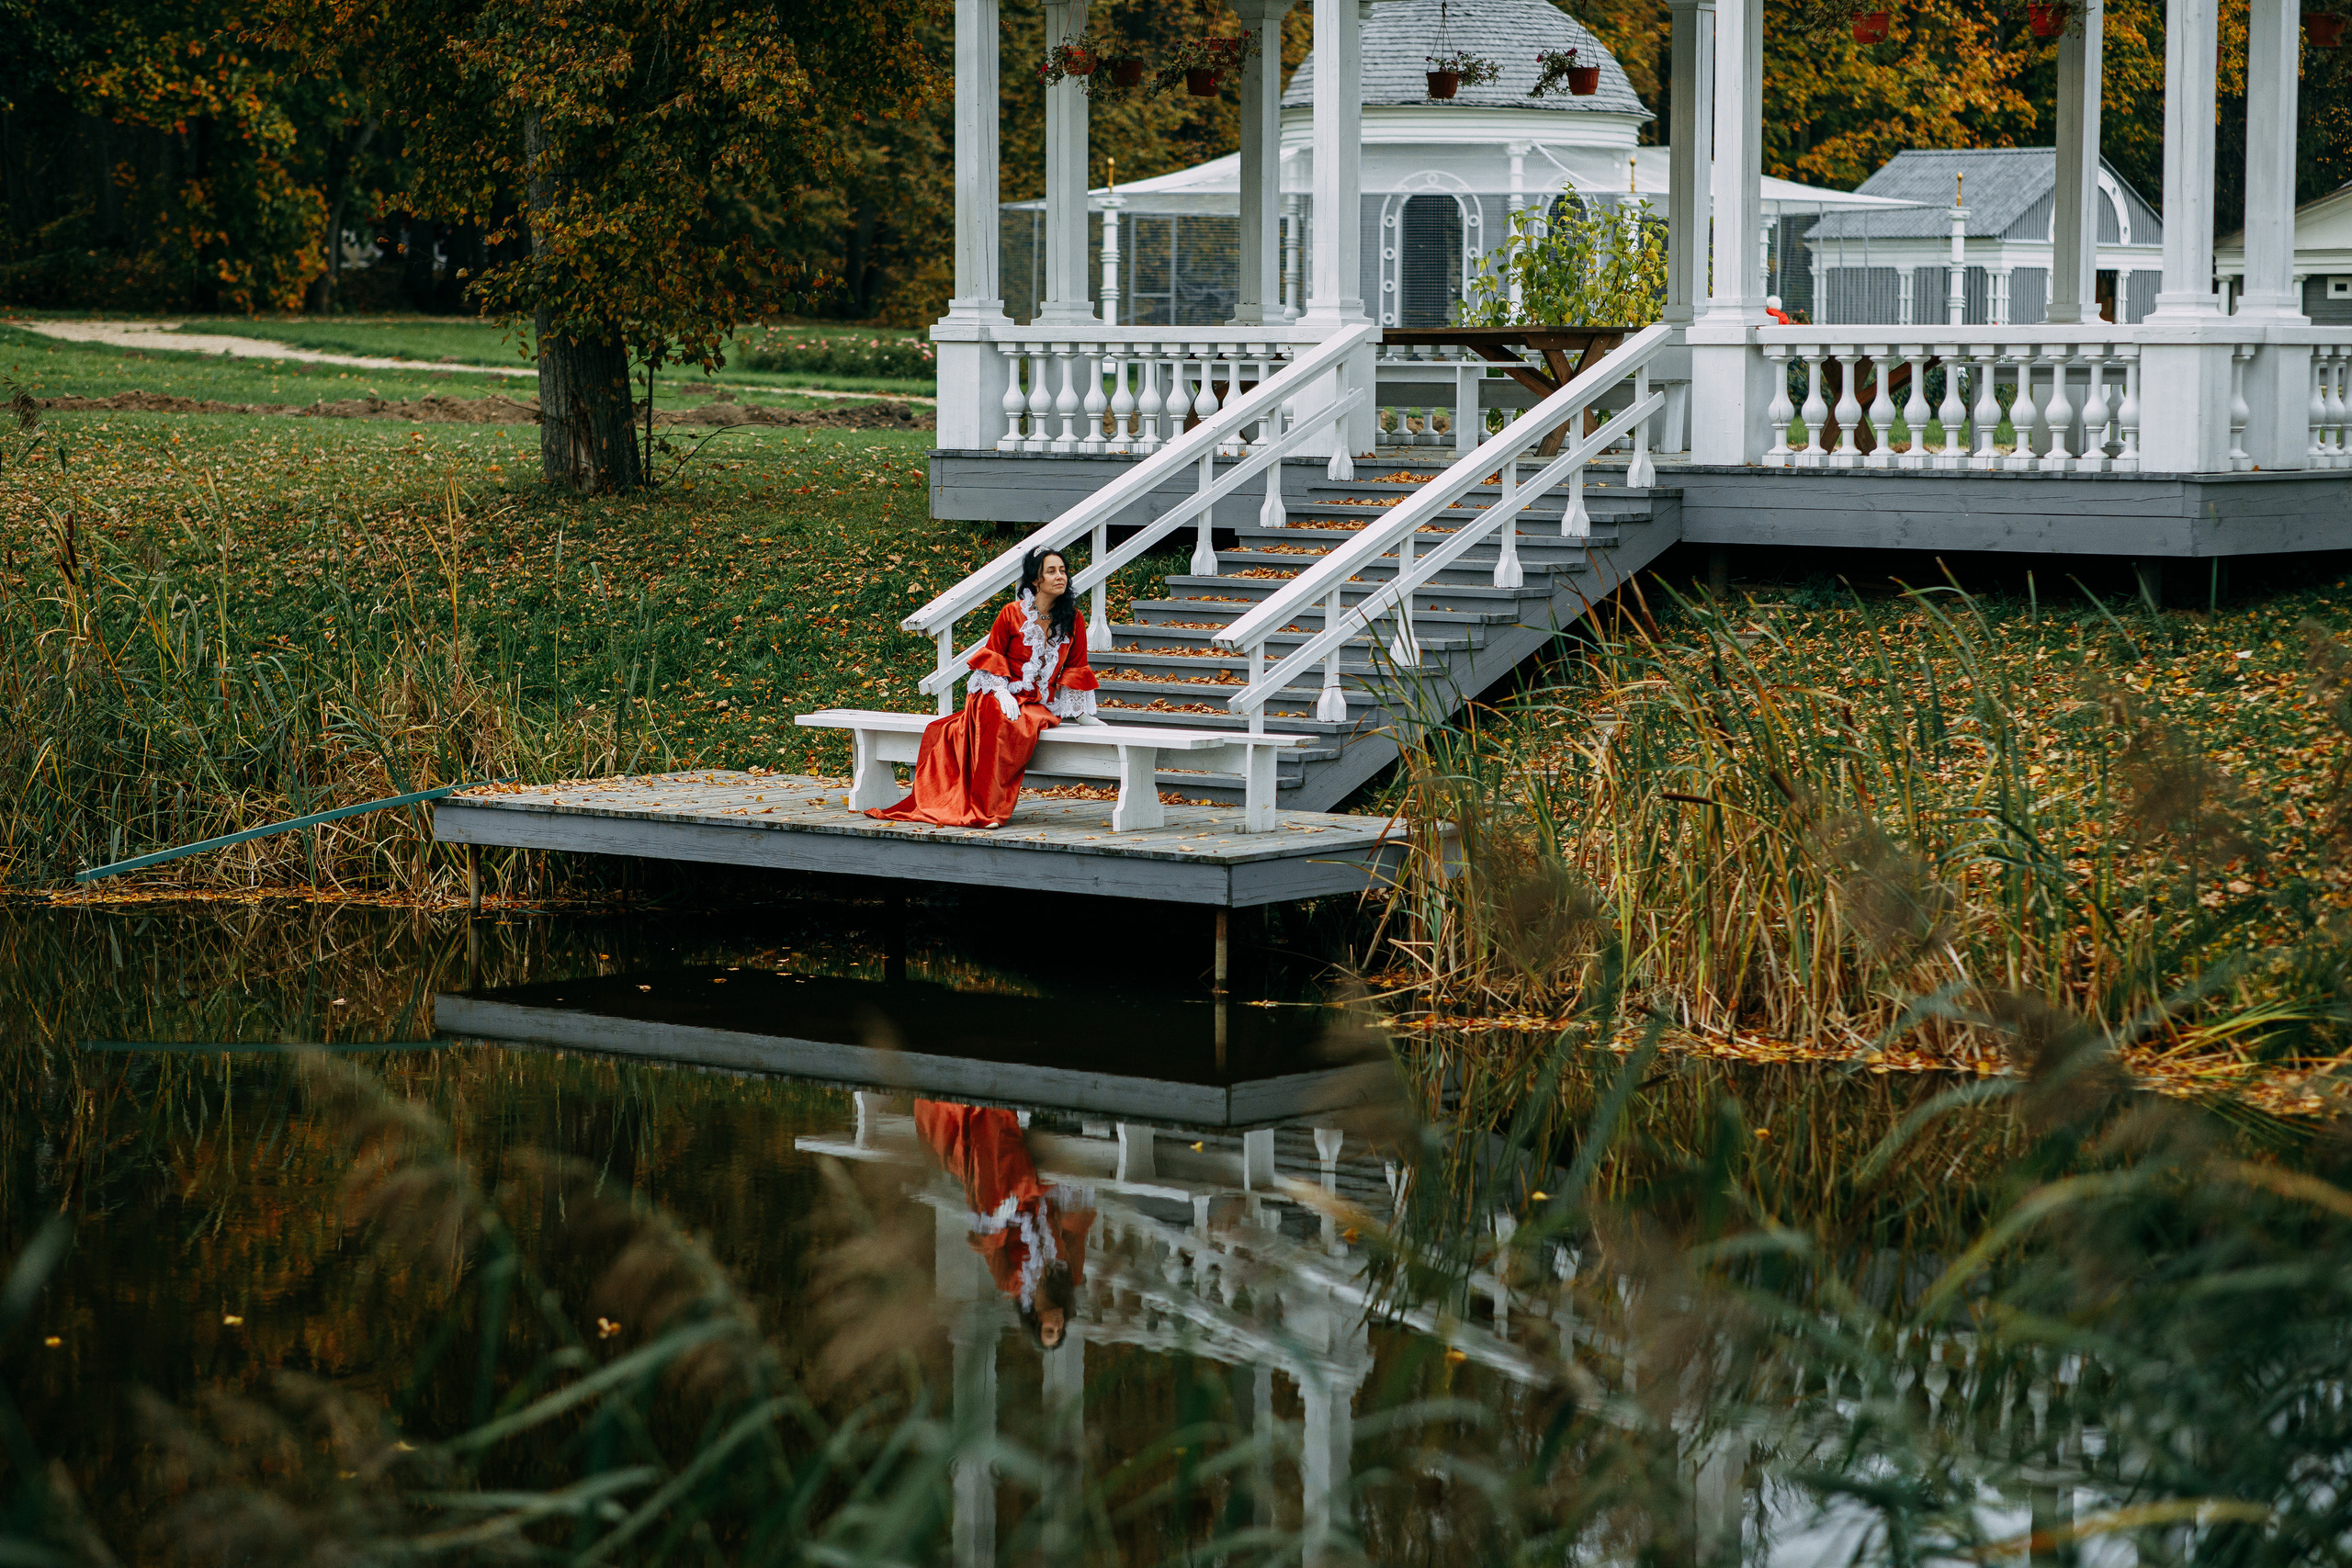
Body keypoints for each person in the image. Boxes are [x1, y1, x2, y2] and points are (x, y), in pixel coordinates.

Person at [867, 547, 1102, 828]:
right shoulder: (1011, 614)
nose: (1060, 576)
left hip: (1039, 702)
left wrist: (1082, 714)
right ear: (1035, 580)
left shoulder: (1073, 619)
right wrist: (1002, 691)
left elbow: (1077, 666)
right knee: (1000, 717)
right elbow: (993, 656)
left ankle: (987, 807)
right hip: (995, 691)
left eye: (1063, 570)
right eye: (1051, 571)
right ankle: (984, 811)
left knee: (1025, 722)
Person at [913, 1100, 1093, 1349]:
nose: (1058, 1326)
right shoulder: (1069, 1278)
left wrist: (998, 1220)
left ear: (1036, 1319)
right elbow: (1077, 1231)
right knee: (1011, 1182)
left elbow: (989, 1245)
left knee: (993, 1199)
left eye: (1050, 1330)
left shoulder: (1010, 1282)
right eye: (1059, 1331)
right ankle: (993, 1118)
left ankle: (988, 1119)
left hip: (1011, 1202)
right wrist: (1072, 1196)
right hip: (1041, 1195)